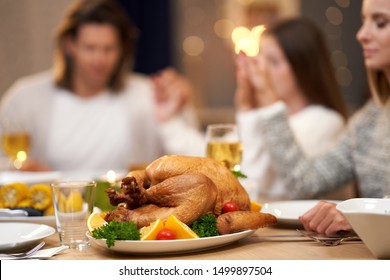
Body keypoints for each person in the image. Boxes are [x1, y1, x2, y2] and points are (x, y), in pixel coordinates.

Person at [238, 0, 390, 235]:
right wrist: (249, 105)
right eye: (363, 21)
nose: (361, 34)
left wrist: (360, 215)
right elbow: (305, 182)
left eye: (380, 23)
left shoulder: (326, 120)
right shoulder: (369, 119)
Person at [0, 0, 204, 173]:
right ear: (70, 45)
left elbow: (192, 161)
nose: (99, 59)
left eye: (108, 49)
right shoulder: (25, 98)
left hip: (125, 214)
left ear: (122, 49)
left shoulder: (147, 94)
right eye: (90, 48)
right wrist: (19, 169)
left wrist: (177, 111)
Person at [235, 17, 349, 200]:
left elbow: (262, 187)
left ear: (302, 67)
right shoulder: (269, 116)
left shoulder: (325, 121)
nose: (263, 71)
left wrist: (264, 104)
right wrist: (246, 107)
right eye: (261, 59)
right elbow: (245, 181)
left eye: (273, 61)